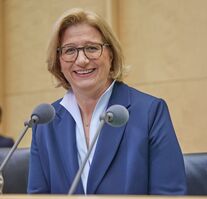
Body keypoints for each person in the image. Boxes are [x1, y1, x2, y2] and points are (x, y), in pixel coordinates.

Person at [27, 8, 187, 195]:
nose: (82, 60)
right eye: (70, 50)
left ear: (110, 54)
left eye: (92, 48)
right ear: (59, 61)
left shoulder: (150, 112)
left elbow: (170, 195)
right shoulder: (45, 123)